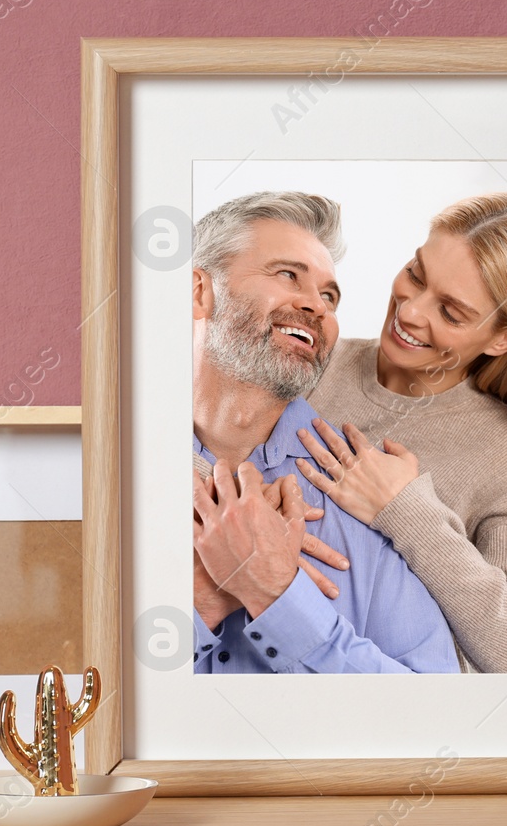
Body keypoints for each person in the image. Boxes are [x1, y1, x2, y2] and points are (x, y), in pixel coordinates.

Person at [189, 190, 458, 674]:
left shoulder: (364, 497)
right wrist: (199, 608)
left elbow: (435, 707)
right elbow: (63, 691)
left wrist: (274, 594)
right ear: (198, 292)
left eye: (330, 296)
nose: (317, 306)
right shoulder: (114, 471)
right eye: (288, 274)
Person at [300, 193, 507, 673]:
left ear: (505, 338)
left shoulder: (505, 451)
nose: (411, 311)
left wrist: (408, 513)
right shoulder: (310, 360)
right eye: (416, 274)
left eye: (451, 313)